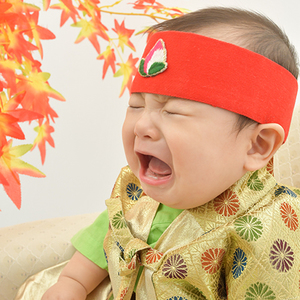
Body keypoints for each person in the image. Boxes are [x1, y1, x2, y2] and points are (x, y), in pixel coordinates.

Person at [41, 7, 299, 300]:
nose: (142, 126)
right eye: (136, 105)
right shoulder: (136, 192)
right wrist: (71, 284)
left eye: (173, 111)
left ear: (257, 145)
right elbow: (106, 238)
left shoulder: (267, 225)